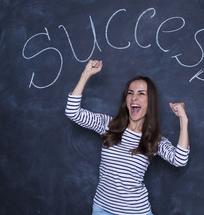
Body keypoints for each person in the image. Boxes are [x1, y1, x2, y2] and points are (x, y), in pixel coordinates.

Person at [65, 60, 190, 215]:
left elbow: (180, 159)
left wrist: (183, 120)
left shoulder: (154, 140)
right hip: (102, 209)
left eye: (141, 93)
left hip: (136, 211)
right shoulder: (107, 125)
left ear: (150, 102)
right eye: (130, 93)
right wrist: (86, 74)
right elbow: (72, 112)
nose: (134, 98)